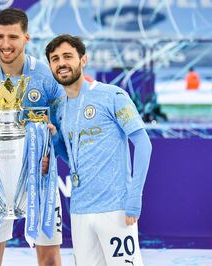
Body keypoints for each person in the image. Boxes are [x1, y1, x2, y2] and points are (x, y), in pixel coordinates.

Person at [0, 8, 64, 266]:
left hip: (39, 180)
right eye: (0, 37)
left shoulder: (47, 78)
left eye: (13, 37)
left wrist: (50, 150)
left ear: (26, 38)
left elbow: (61, 126)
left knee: (50, 260)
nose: (6, 44)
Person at [45, 34, 152, 266]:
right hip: (80, 209)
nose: (61, 63)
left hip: (116, 208)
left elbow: (143, 144)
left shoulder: (111, 95)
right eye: (55, 59)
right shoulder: (59, 107)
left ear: (83, 60)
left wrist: (134, 198)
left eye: (67, 56)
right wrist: (55, 139)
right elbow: (69, 156)